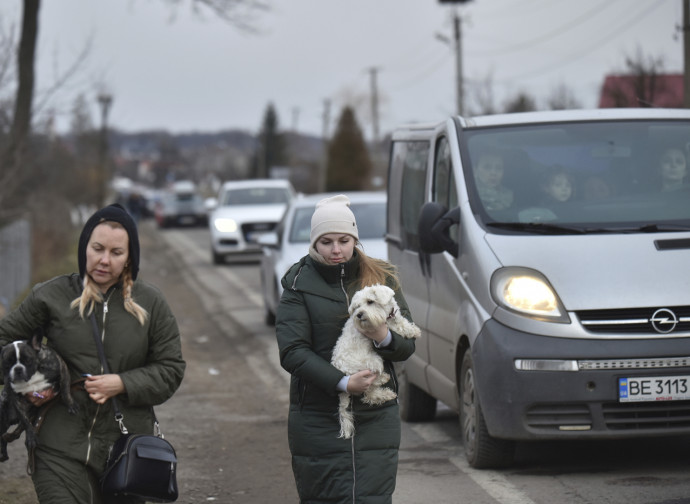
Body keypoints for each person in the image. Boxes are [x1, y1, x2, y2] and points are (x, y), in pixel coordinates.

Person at [0, 203, 186, 504]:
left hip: (125, 451)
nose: (104, 260)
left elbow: (171, 369)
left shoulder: (151, 303)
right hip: (58, 446)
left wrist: (123, 383)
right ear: (84, 246)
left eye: (116, 253)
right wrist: (23, 385)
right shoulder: (50, 296)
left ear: (129, 258)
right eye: (97, 248)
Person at [275, 194, 416, 503]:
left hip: (376, 415)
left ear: (355, 239)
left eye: (343, 240)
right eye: (326, 241)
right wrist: (343, 382)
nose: (336, 249)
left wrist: (383, 337)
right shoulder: (298, 285)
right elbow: (293, 351)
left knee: (373, 497)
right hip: (317, 415)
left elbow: (406, 347)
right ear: (314, 243)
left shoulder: (382, 278)